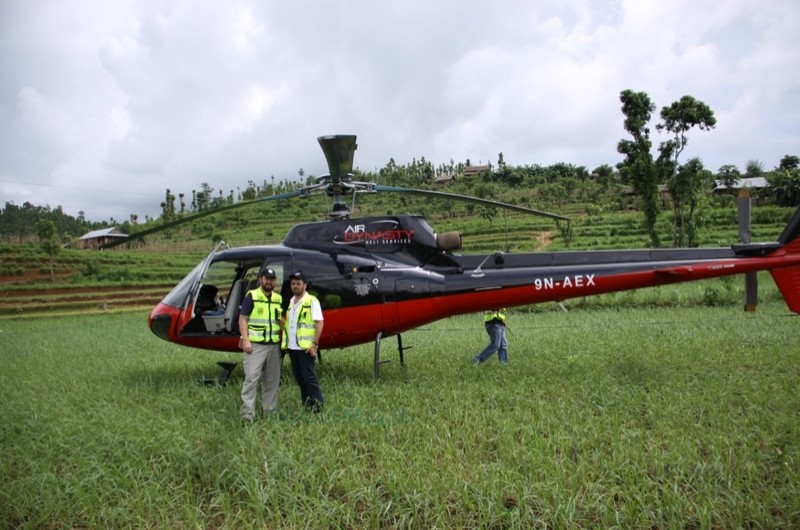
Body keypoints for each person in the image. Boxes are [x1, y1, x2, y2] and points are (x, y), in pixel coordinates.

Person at [238, 268, 283, 422]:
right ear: (261, 280)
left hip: (273, 346)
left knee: (272, 381)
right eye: (266, 278)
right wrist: (245, 340)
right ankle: (247, 416)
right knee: (251, 379)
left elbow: (279, 321)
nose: (269, 282)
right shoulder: (252, 296)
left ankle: (269, 413)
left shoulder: (278, 298)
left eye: (272, 279)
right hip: (255, 346)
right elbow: (242, 319)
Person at [282, 271, 325, 412]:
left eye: (298, 283)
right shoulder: (290, 301)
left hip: (305, 347)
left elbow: (319, 322)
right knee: (299, 377)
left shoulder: (312, 301)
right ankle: (307, 404)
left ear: (305, 285)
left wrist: (315, 344)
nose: (295, 286)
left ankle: (317, 407)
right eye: (293, 283)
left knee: (309, 377)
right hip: (293, 347)